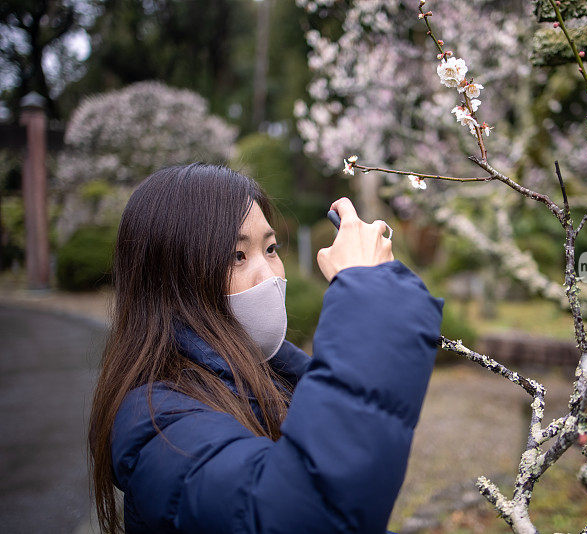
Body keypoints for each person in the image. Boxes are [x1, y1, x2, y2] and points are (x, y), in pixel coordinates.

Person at [88, 163, 444, 533]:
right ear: (173, 281)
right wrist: (367, 298)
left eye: (271, 249)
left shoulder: (281, 379)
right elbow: (305, 515)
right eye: (237, 256)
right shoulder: (160, 423)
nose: (271, 275)